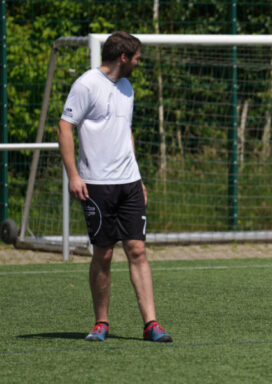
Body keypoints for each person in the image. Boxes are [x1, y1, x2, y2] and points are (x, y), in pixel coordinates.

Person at [58, 31, 172, 341]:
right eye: (136, 57)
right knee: (104, 254)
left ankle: (151, 324)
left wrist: (139, 177)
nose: (139, 61)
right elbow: (65, 127)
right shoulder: (86, 85)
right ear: (123, 57)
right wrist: (74, 175)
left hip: (129, 184)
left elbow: (125, 132)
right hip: (96, 185)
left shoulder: (127, 87)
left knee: (137, 249)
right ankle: (101, 323)